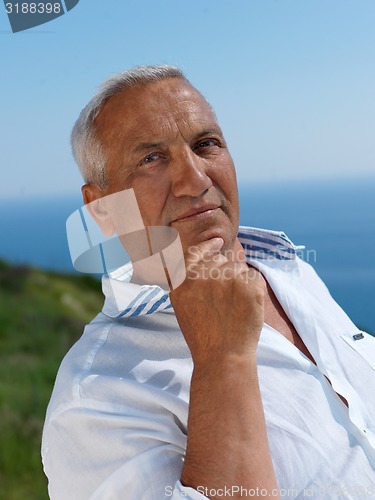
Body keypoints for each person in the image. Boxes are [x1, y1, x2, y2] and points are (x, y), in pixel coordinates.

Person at [42, 65, 375, 499]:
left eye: (206, 144)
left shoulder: (288, 267)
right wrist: (223, 361)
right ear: (102, 208)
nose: (196, 180)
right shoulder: (92, 399)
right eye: (151, 158)